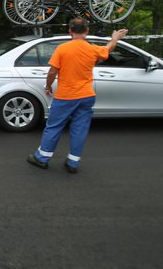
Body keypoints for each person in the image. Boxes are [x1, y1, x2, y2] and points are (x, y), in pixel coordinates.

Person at [27, 18, 128, 174]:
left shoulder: (62, 49)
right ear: (86, 31)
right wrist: (114, 38)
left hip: (65, 96)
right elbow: (107, 49)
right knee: (79, 129)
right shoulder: (92, 49)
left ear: (70, 31)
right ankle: (73, 163)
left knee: (54, 127)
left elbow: (53, 71)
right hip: (86, 96)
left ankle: (42, 158)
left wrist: (48, 86)